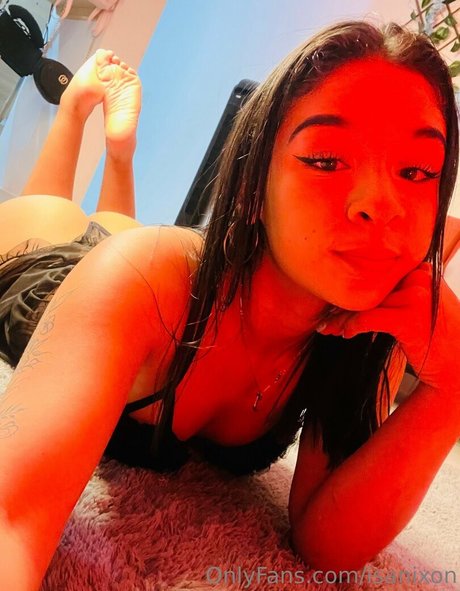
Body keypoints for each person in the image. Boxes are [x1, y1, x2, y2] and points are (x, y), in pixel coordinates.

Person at [0, 19, 459, 589]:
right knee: (54, 214)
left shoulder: (372, 338)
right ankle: (76, 108)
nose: (380, 204)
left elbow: (328, 545)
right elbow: (11, 515)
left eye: (417, 171)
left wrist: (450, 389)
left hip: (137, 270)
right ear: (250, 187)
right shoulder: (147, 277)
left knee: (119, 233)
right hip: (46, 270)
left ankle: (120, 155)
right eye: (326, 159)